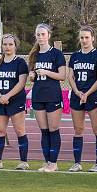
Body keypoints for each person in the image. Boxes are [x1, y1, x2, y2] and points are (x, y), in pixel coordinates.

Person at [28, 23, 67, 172]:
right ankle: (47, 162)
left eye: (43, 34)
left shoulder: (56, 54)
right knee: (43, 130)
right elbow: (32, 76)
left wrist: (46, 72)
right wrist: (32, 76)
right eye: (38, 35)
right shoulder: (34, 55)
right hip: (38, 95)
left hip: (53, 95)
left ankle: (53, 163)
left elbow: (62, 76)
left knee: (53, 129)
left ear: (49, 35)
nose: (40, 37)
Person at [67, 26, 97, 172]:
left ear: (93, 38)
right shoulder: (75, 56)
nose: (84, 40)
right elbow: (70, 76)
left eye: (87, 37)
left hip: (92, 95)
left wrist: (87, 93)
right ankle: (77, 163)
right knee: (78, 129)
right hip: (77, 95)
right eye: (82, 37)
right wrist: (77, 92)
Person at [0, 34, 30, 170]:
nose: (7, 47)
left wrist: (8, 95)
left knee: (20, 130)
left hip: (15, 100)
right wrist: (0, 96)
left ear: (15, 46)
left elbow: (22, 82)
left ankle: (23, 161)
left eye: (10, 44)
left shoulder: (20, 62)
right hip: (0, 100)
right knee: (0, 131)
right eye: (5, 44)